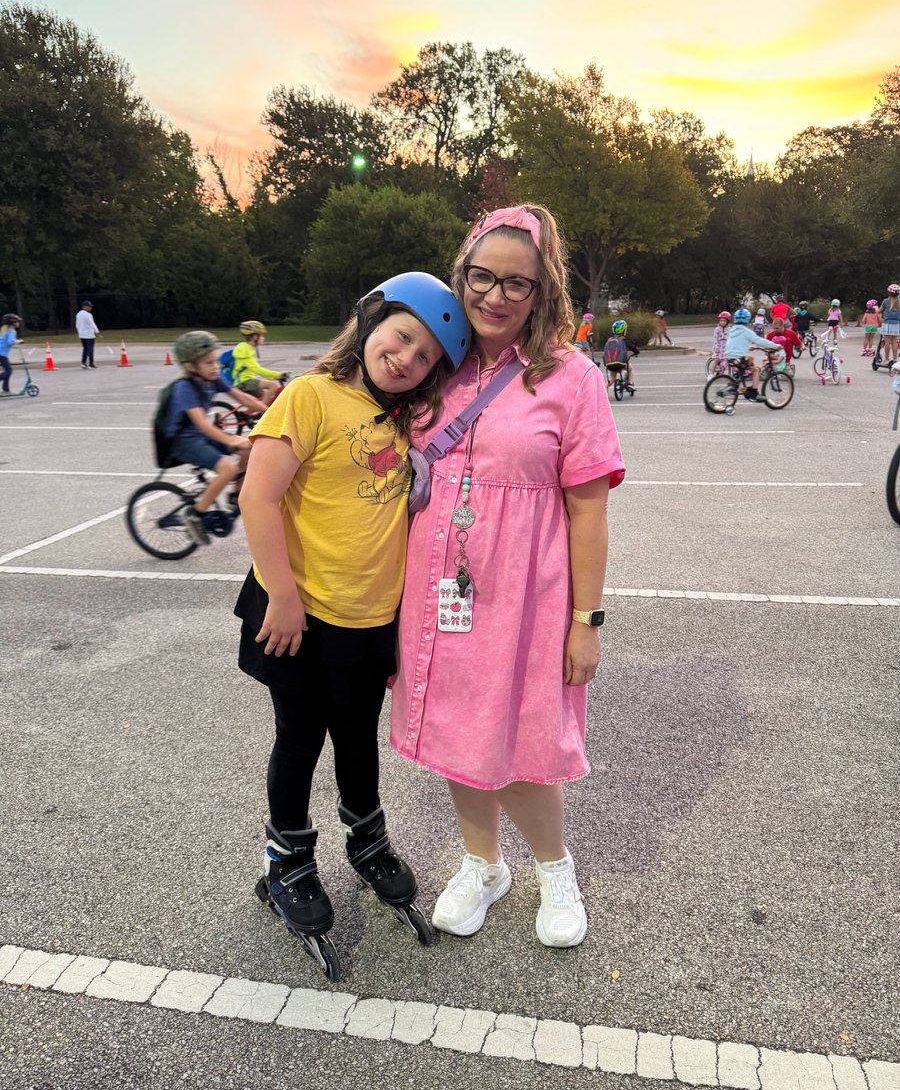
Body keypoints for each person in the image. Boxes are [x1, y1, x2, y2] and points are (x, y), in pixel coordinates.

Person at [390, 204, 625, 949]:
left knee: (523, 734)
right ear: (459, 274)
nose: (494, 296)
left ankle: (555, 868)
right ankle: (483, 864)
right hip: (437, 587)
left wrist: (587, 620)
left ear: (543, 290)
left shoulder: (571, 377)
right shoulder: (437, 364)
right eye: (480, 276)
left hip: (527, 591)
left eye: (515, 284)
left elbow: (588, 510)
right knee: (458, 728)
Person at [234, 273, 469, 979]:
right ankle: (287, 862)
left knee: (357, 742)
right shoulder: (311, 396)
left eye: (425, 356)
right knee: (300, 739)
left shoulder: (404, 419)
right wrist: (281, 594)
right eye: (401, 337)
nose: (406, 358)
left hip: (371, 619)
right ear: (370, 324)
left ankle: (367, 844)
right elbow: (257, 495)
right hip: (299, 614)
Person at [165, 331, 267, 545]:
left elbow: (243, 398)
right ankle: (196, 514)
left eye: (216, 361)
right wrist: (231, 441)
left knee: (250, 448)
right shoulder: (184, 388)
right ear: (191, 366)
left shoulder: (212, 379)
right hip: (184, 441)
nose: (216, 367)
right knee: (228, 469)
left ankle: (234, 496)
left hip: (201, 435)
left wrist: (270, 413)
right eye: (208, 363)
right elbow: (201, 423)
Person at [724, 307, 783, 399]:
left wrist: (749, 347)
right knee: (756, 370)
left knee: (750, 358)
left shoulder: (732, 329)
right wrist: (775, 346)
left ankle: (738, 380)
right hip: (738, 358)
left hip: (729, 357)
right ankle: (754, 393)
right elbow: (759, 340)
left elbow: (736, 343)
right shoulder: (746, 331)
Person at [231, 321, 286, 405]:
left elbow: (256, 370)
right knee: (272, 386)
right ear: (255, 337)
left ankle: (253, 414)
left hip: (247, 381)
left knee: (265, 399)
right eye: (262, 336)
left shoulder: (248, 348)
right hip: (244, 382)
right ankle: (262, 412)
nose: (263, 338)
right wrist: (277, 375)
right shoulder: (245, 350)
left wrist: (274, 376)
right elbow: (257, 369)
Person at [602, 319, 639, 390]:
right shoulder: (623, 340)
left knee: (612, 378)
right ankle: (630, 383)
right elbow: (633, 348)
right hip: (621, 363)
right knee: (630, 369)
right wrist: (636, 352)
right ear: (623, 330)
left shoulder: (609, 340)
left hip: (610, 364)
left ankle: (603, 389)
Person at [0, 313, 23, 395]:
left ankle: (6, 390)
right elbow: (10, 341)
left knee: (7, 370)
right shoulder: (12, 331)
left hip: (2, 353)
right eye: (17, 322)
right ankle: (5, 390)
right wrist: (19, 341)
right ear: (13, 322)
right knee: (8, 371)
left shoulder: (4, 329)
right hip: (2, 354)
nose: (18, 323)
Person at [75, 301, 101, 369]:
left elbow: (77, 325)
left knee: (85, 349)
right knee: (90, 349)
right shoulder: (88, 315)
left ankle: (83, 363)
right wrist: (97, 332)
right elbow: (92, 324)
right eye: (89, 306)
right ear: (84, 307)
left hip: (82, 334)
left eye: (90, 306)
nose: (90, 308)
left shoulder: (78, 314)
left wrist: (79, 332)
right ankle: (91, 363)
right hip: (89, 335)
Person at [880, 284, 900, 365]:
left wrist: (875, 308)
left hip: (887, 323)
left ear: (888, 293)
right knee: (894, 342)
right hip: (897, 323)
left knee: (887, 342)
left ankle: (886, 359)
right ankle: (895, 359)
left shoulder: (885, 301)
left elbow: (879, 310)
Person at [709, 311, 731, 376]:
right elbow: (715, 339)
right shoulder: (717, 329)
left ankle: (720, 374)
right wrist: (716, 347)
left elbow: (731, 338)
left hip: (726, 348)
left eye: (724, 321)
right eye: (721, 321)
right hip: (719, 347)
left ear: (727, 321)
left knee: (725, 363)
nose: (722, 322)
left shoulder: (729, 329)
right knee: (717, 360)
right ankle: (711, 374)